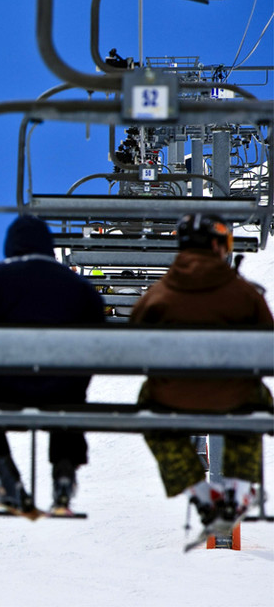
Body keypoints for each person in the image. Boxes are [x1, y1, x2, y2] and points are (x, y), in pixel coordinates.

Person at [0, 215, 106, 512]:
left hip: (7, 386)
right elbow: (98, 331)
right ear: (49, 247)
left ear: (11, 246)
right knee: (69, 399)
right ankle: (64, 476)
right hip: (61, 390)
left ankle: (5, 476)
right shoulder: (76, 285)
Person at [130, 213, 274, 533]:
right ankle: (237, 488)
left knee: (146, 401)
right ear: (215, 245)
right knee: (255, 397)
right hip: (233, 396)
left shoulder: (160, 292)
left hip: (172, 397)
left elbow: (135, 341)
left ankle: (198, 489)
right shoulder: (242, 292)